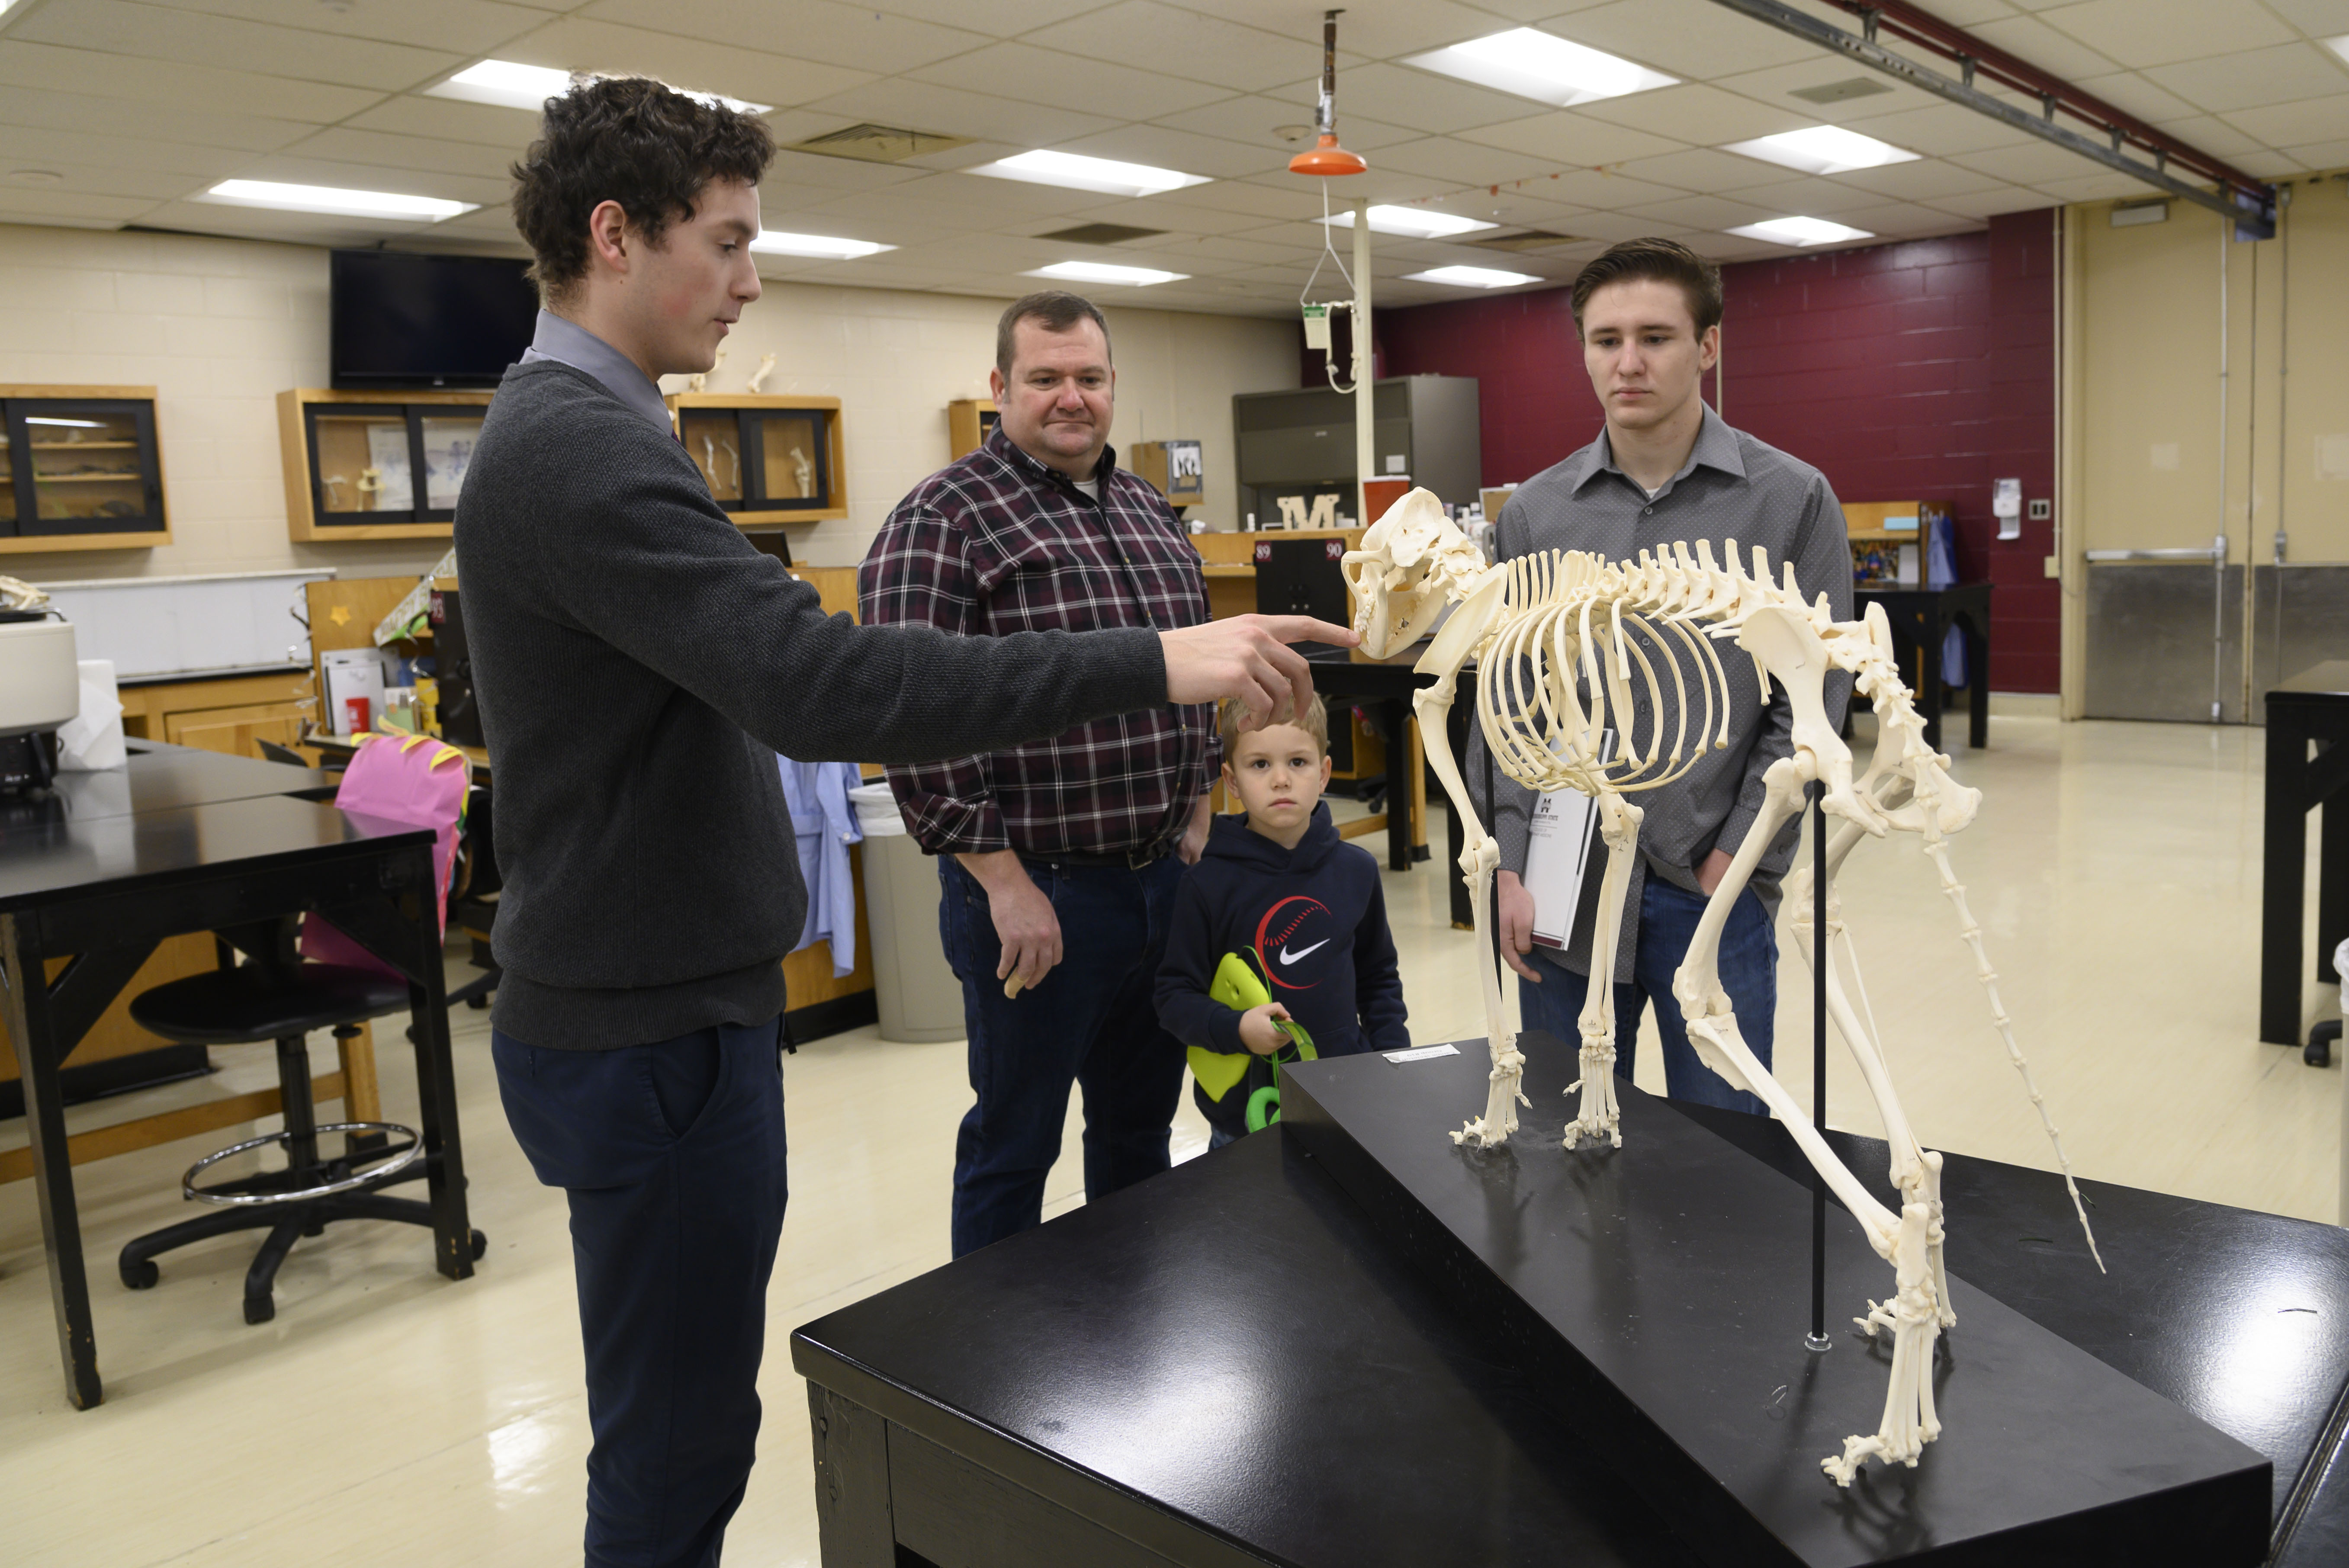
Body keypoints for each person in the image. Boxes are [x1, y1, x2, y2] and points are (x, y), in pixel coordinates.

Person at [458, 78, 1353, 1568]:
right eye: (728, 241)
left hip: (670, 1006)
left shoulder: (601, 429)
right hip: (643, 1025)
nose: (751, 281)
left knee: (690, 1419)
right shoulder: (575, 446)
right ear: (613, 236)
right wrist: (1152, 660)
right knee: (679, 1438)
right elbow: (824, 680)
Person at [859, 290, 1226, 1259]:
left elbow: (1185, 661)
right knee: (1014, 1145)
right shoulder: (944, 517)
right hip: (1039, 897)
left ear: (1112, 386)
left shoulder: (1149, 508)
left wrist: (1199, 790)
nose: (1071, 398)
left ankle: (1134, 1324)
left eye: (1090, 378)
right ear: (1000, 388)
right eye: (1046, 378)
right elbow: (909, 711)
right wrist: (1002, 884)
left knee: (1138, 1130)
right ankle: (985, 1377)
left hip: (1159, 883)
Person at [1480, 237, 1851, 1115]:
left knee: (1724, 1158)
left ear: (1706, 347)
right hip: (1561, 885)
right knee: (1558, 1134)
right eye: (1604, 340)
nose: (1628, 362)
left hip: (1708, 884)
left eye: (1654, 336)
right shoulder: (1533, 513)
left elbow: (1811, 700)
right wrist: (1506, 861)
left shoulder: (1792, 501)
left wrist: (1740, 858)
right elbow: (1511, 702)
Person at [1156, 694, 1407, 1147]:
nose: (1280, 780)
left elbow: (1378, 980)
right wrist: (1235, 1029)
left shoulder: (1356, 870)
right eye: (1258, 765)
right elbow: (1173, 998)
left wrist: (1392, 1064)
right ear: (1230, 781)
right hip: (1244, 1120)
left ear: (1324, 773)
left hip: (1347, 1103)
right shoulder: (1205, 885)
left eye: (1297, 762)